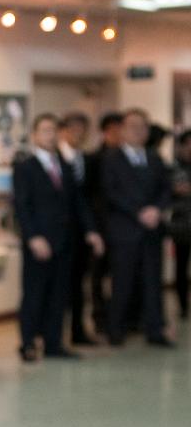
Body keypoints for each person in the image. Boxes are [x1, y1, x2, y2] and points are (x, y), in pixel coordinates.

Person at [14, 114, 104, 361]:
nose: (50, 135)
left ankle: (54, 342)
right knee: (34, 293)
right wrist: (33, 236)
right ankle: (28, 342)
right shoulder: (26, 166)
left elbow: (78, 202)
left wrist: (91, 231)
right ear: (34, 135)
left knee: (59, 294)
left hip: (65, 241)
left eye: (53, 130)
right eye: (44, 130)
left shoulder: (63, 165)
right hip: (39, 241)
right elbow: (22, 205)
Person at [101, 108, 173, 347]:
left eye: (142, 127)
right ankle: (116, 329)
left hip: (152, 230)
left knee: (153, 282)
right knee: (122, 282)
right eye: (132, 126)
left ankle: (155, 329)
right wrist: (138, 212)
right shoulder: (111, 158)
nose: (138, 131)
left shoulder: (154, 157)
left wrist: (156, 209)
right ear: (122, 129)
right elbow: (111, 193)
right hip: (125, 230)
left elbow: (166, 188)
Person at [56, 112, 97, 345]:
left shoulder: (86, 159)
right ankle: (52, 335)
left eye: (82, 130)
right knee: (57, 287)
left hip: (81, 235)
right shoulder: (56, 159)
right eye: (73, 129)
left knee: (79, 284)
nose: (77, 134)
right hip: (58, 234)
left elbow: (87, 199)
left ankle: (78, 331)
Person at [86, 111, 124, 335]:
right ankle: (100, 316)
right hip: (101, 225)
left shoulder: (125, 158)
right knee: (98, 274)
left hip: (122, 226)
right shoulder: (94, 159)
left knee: (121, 274)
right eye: (114, 130)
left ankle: (120, 315)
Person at [168, 130, 191, 319]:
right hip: (181, 226)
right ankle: (183, 306)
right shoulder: (173, 168)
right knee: (181, 268)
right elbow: (167, 195)